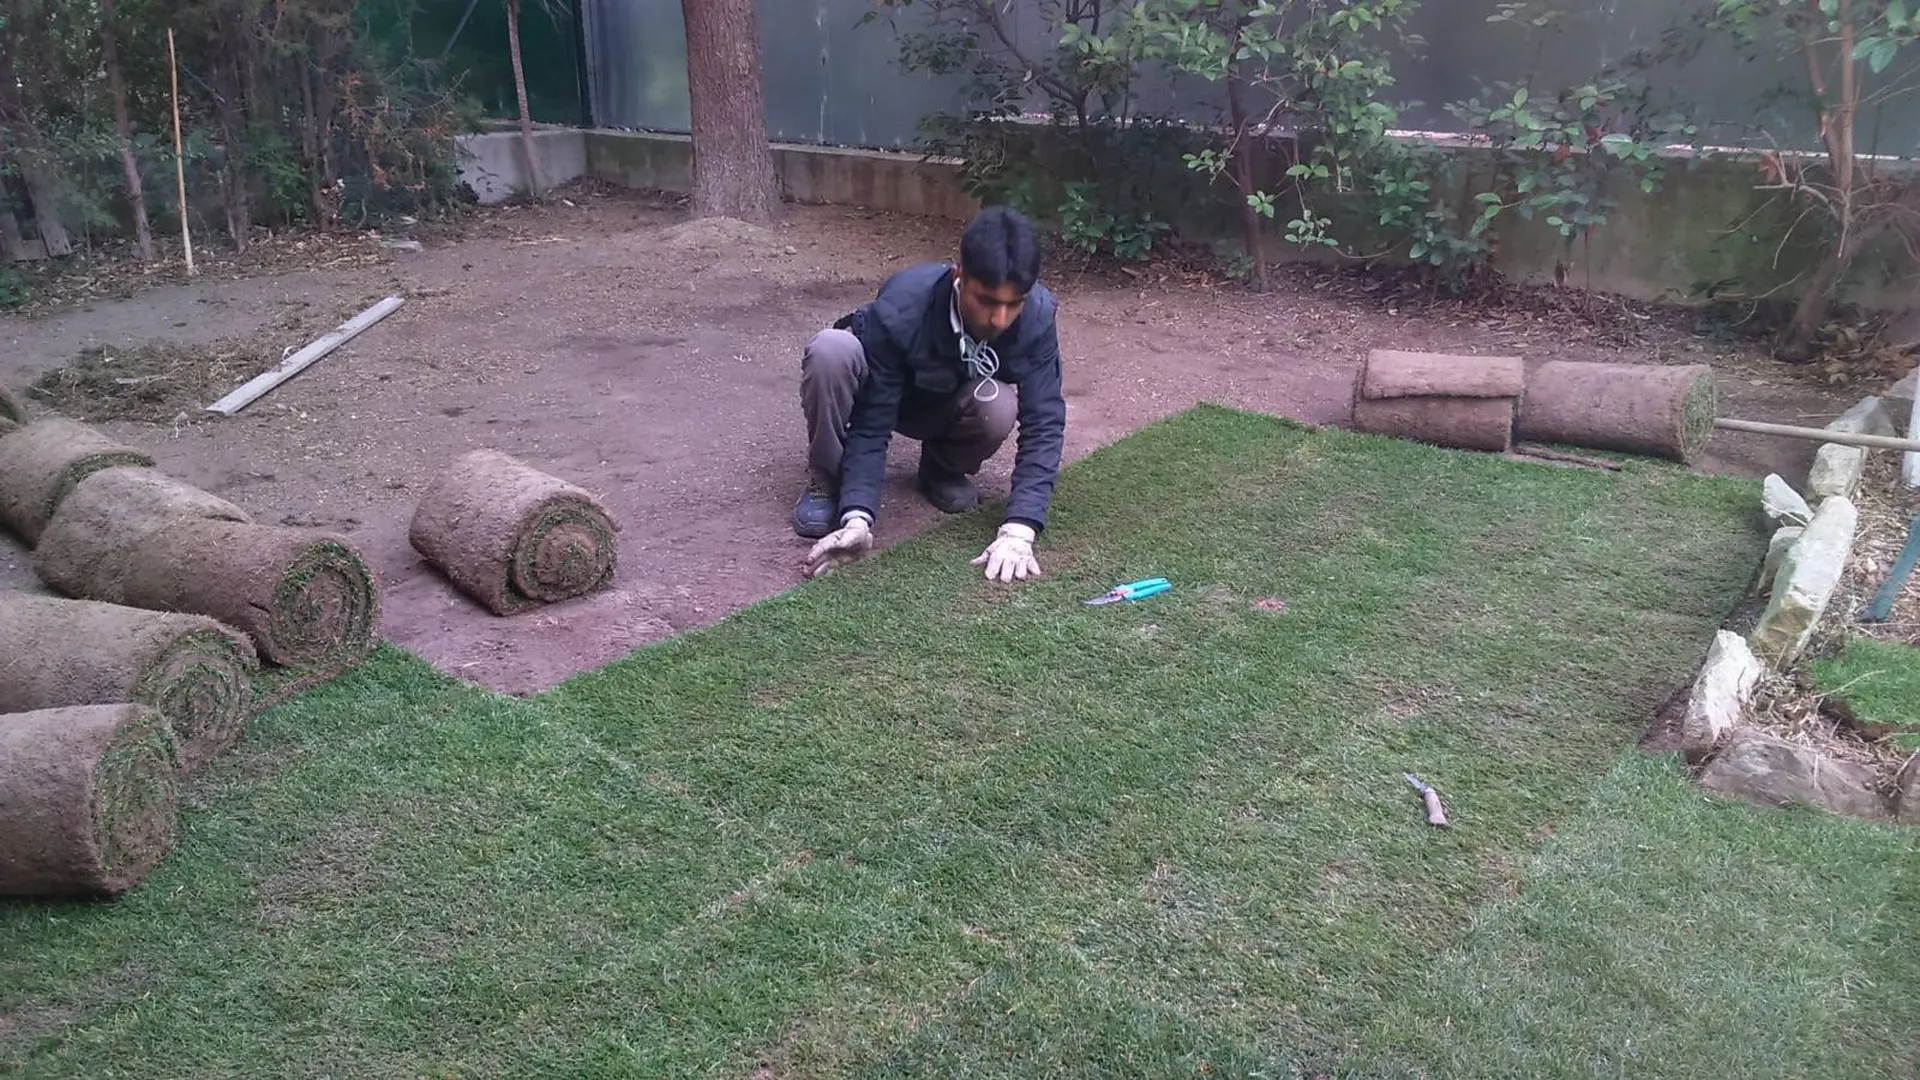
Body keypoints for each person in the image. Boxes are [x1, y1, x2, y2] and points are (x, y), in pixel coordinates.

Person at [792, 204, 1065, 583]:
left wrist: (1020, 529)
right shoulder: (902, 307)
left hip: (945, 400)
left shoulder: (1036, 316)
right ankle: (828, 478)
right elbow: (872, 423)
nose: (1000, 320)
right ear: (960, 277)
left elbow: (1044, 421)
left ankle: (941, 468)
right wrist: (858, 518)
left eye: (1012, 304)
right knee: (831, 351)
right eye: (987, 301)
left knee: (999, 403)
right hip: (881, 391)